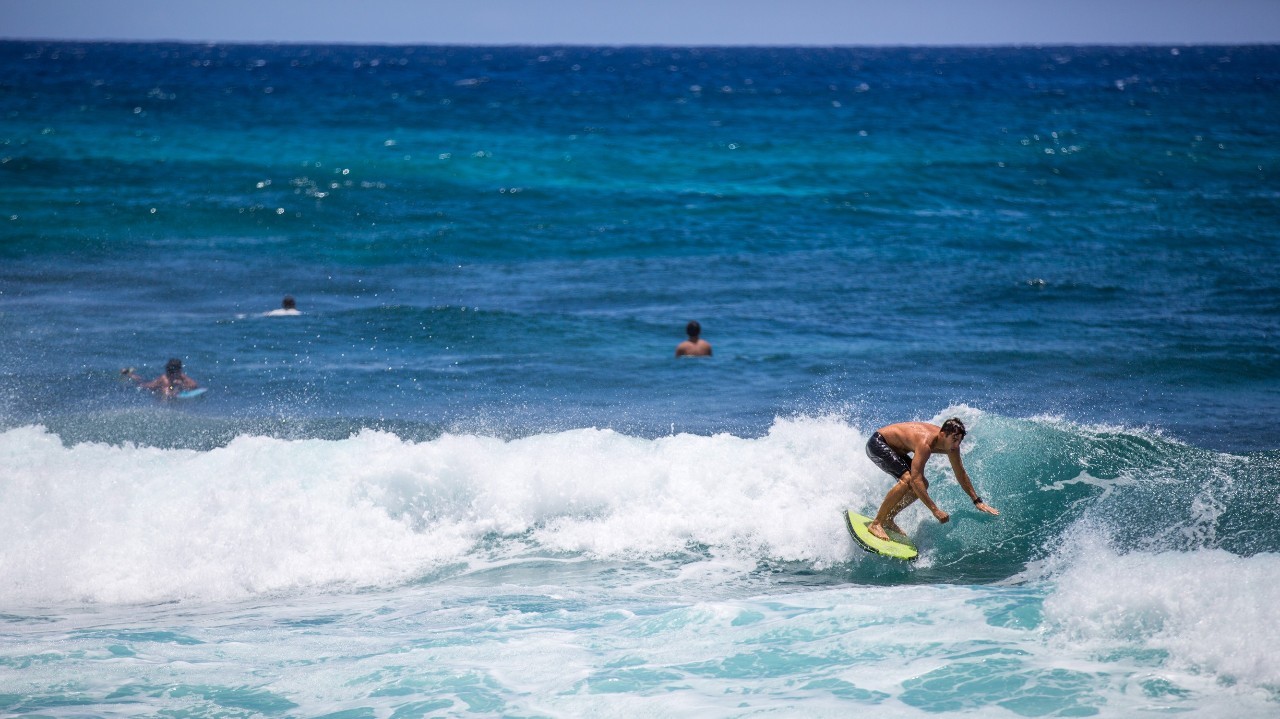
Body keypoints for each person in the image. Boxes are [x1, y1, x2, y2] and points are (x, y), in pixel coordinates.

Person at [864, 418, 999, 542]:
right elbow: (915, 480)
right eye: (954, 439)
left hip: (897, 450)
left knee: (923, 484)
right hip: (878, 443)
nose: (957, 444)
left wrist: (977, 501)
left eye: (959, 440)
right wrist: (935, 510)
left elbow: (960, 473)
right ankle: (876, 523)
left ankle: (888, 518)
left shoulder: (952, 447)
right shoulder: (925, 443)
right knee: (908, 480)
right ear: (943, 434)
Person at [121, 358, 199, 398]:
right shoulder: (165, 380)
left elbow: (194, 385)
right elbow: (165, 396)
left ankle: (129, 373)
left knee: (142, 379)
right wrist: (173, 391)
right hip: (148, 387)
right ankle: (128, 373)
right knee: (140, 382)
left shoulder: (180, 375)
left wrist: (182, 385)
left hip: (154, 383)